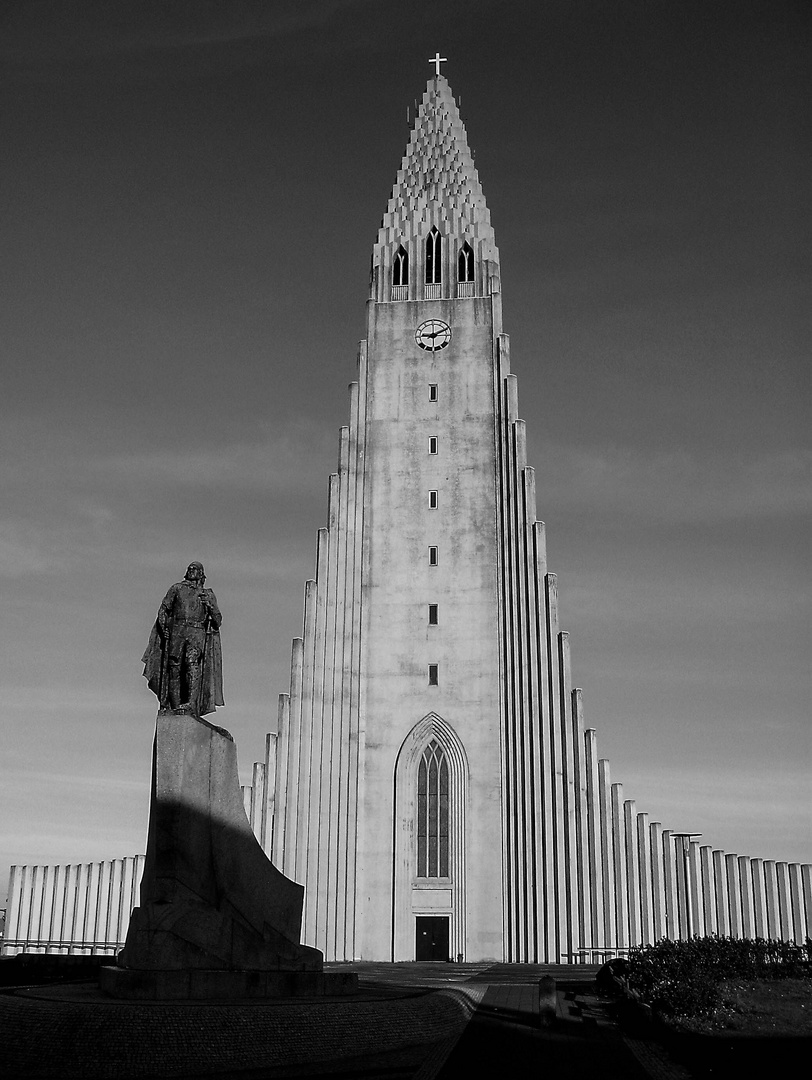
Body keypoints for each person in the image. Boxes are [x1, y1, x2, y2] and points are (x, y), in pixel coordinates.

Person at [142, 561, 224, 716]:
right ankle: (175, 704)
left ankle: (190, 704)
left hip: (196, 631)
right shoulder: (177, 588)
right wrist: (164, 627)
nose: (191, 571)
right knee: (174, 667)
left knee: (192, 662)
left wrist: (210, 606)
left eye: (195, 569)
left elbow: (218, 620)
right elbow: (163, 610)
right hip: (178, 630)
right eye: (190, 568)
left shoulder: (207, 594)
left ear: (201, 574)